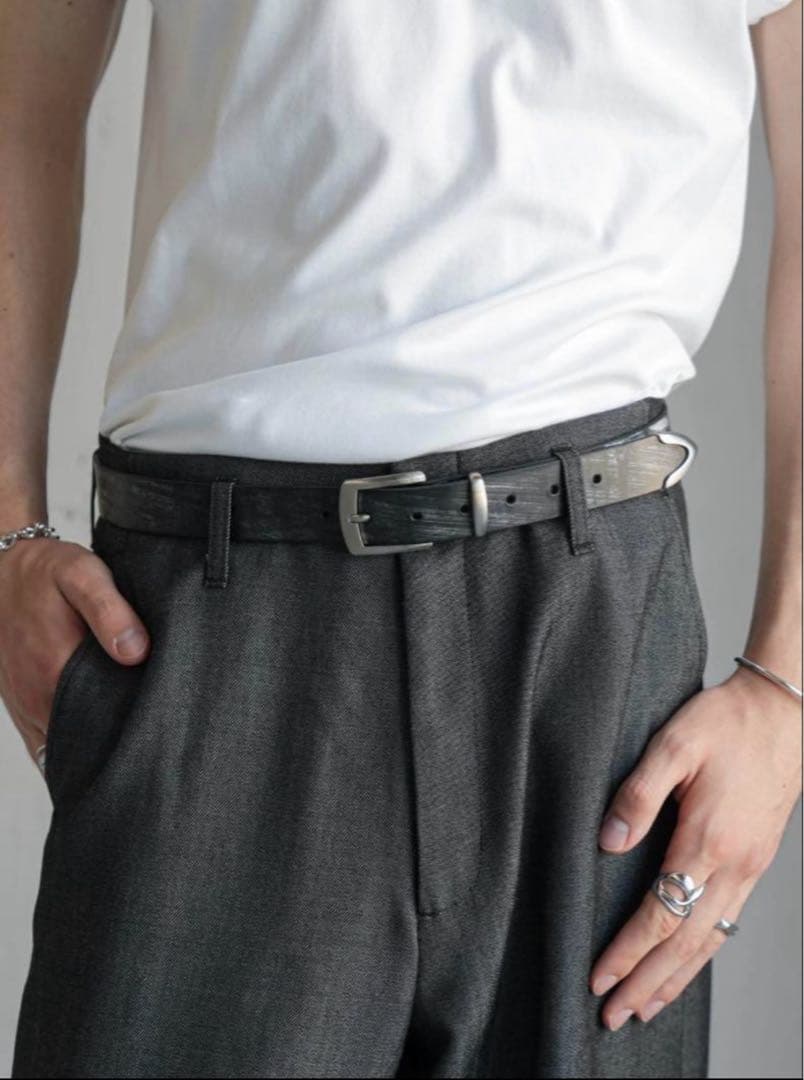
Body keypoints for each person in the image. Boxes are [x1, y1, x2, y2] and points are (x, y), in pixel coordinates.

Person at [1, 1, 800, 1077]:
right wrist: (4, 528)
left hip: (590, 633)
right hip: (220, 618)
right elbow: (20, 94)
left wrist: (788, 690)